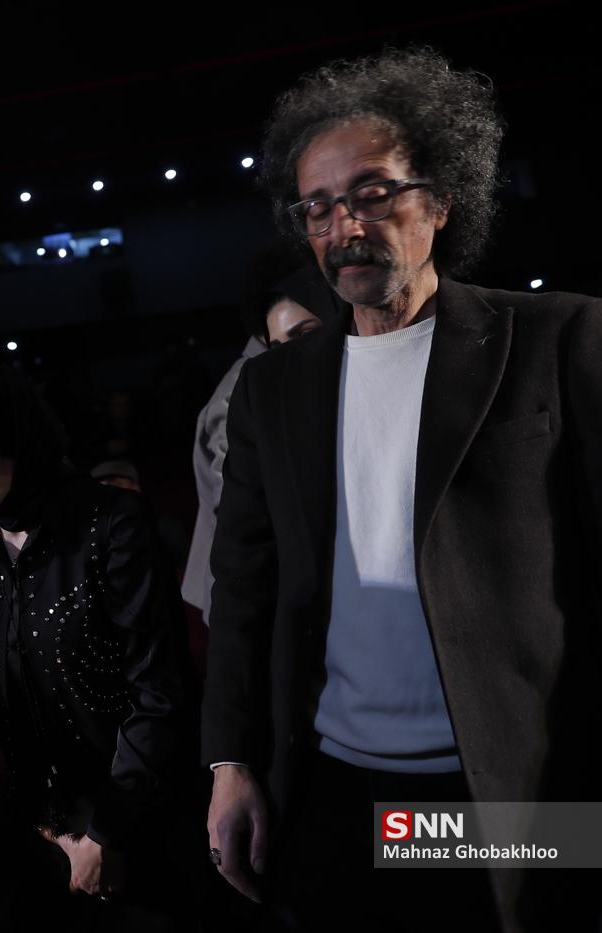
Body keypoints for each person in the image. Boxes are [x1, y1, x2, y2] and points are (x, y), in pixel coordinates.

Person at [202, 49, 602, 932]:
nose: (344, 224)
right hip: (335, 786)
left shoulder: (559, 336)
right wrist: (231, 763)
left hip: (512, 789)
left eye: (373, 193)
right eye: (318, 206)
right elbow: (243, 589)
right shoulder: (272, 388)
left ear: (443, 199)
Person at [0, 355, 189, 929]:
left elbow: (159, 694)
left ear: (15, 434)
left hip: (139, 829)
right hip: (38, 836)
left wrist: (106, 834)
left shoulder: (111, 524)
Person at [182, 260, 337, 623]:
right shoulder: (242, 391)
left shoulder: (290, 379)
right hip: (255, 594)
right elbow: (238, 514)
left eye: (304, 335)